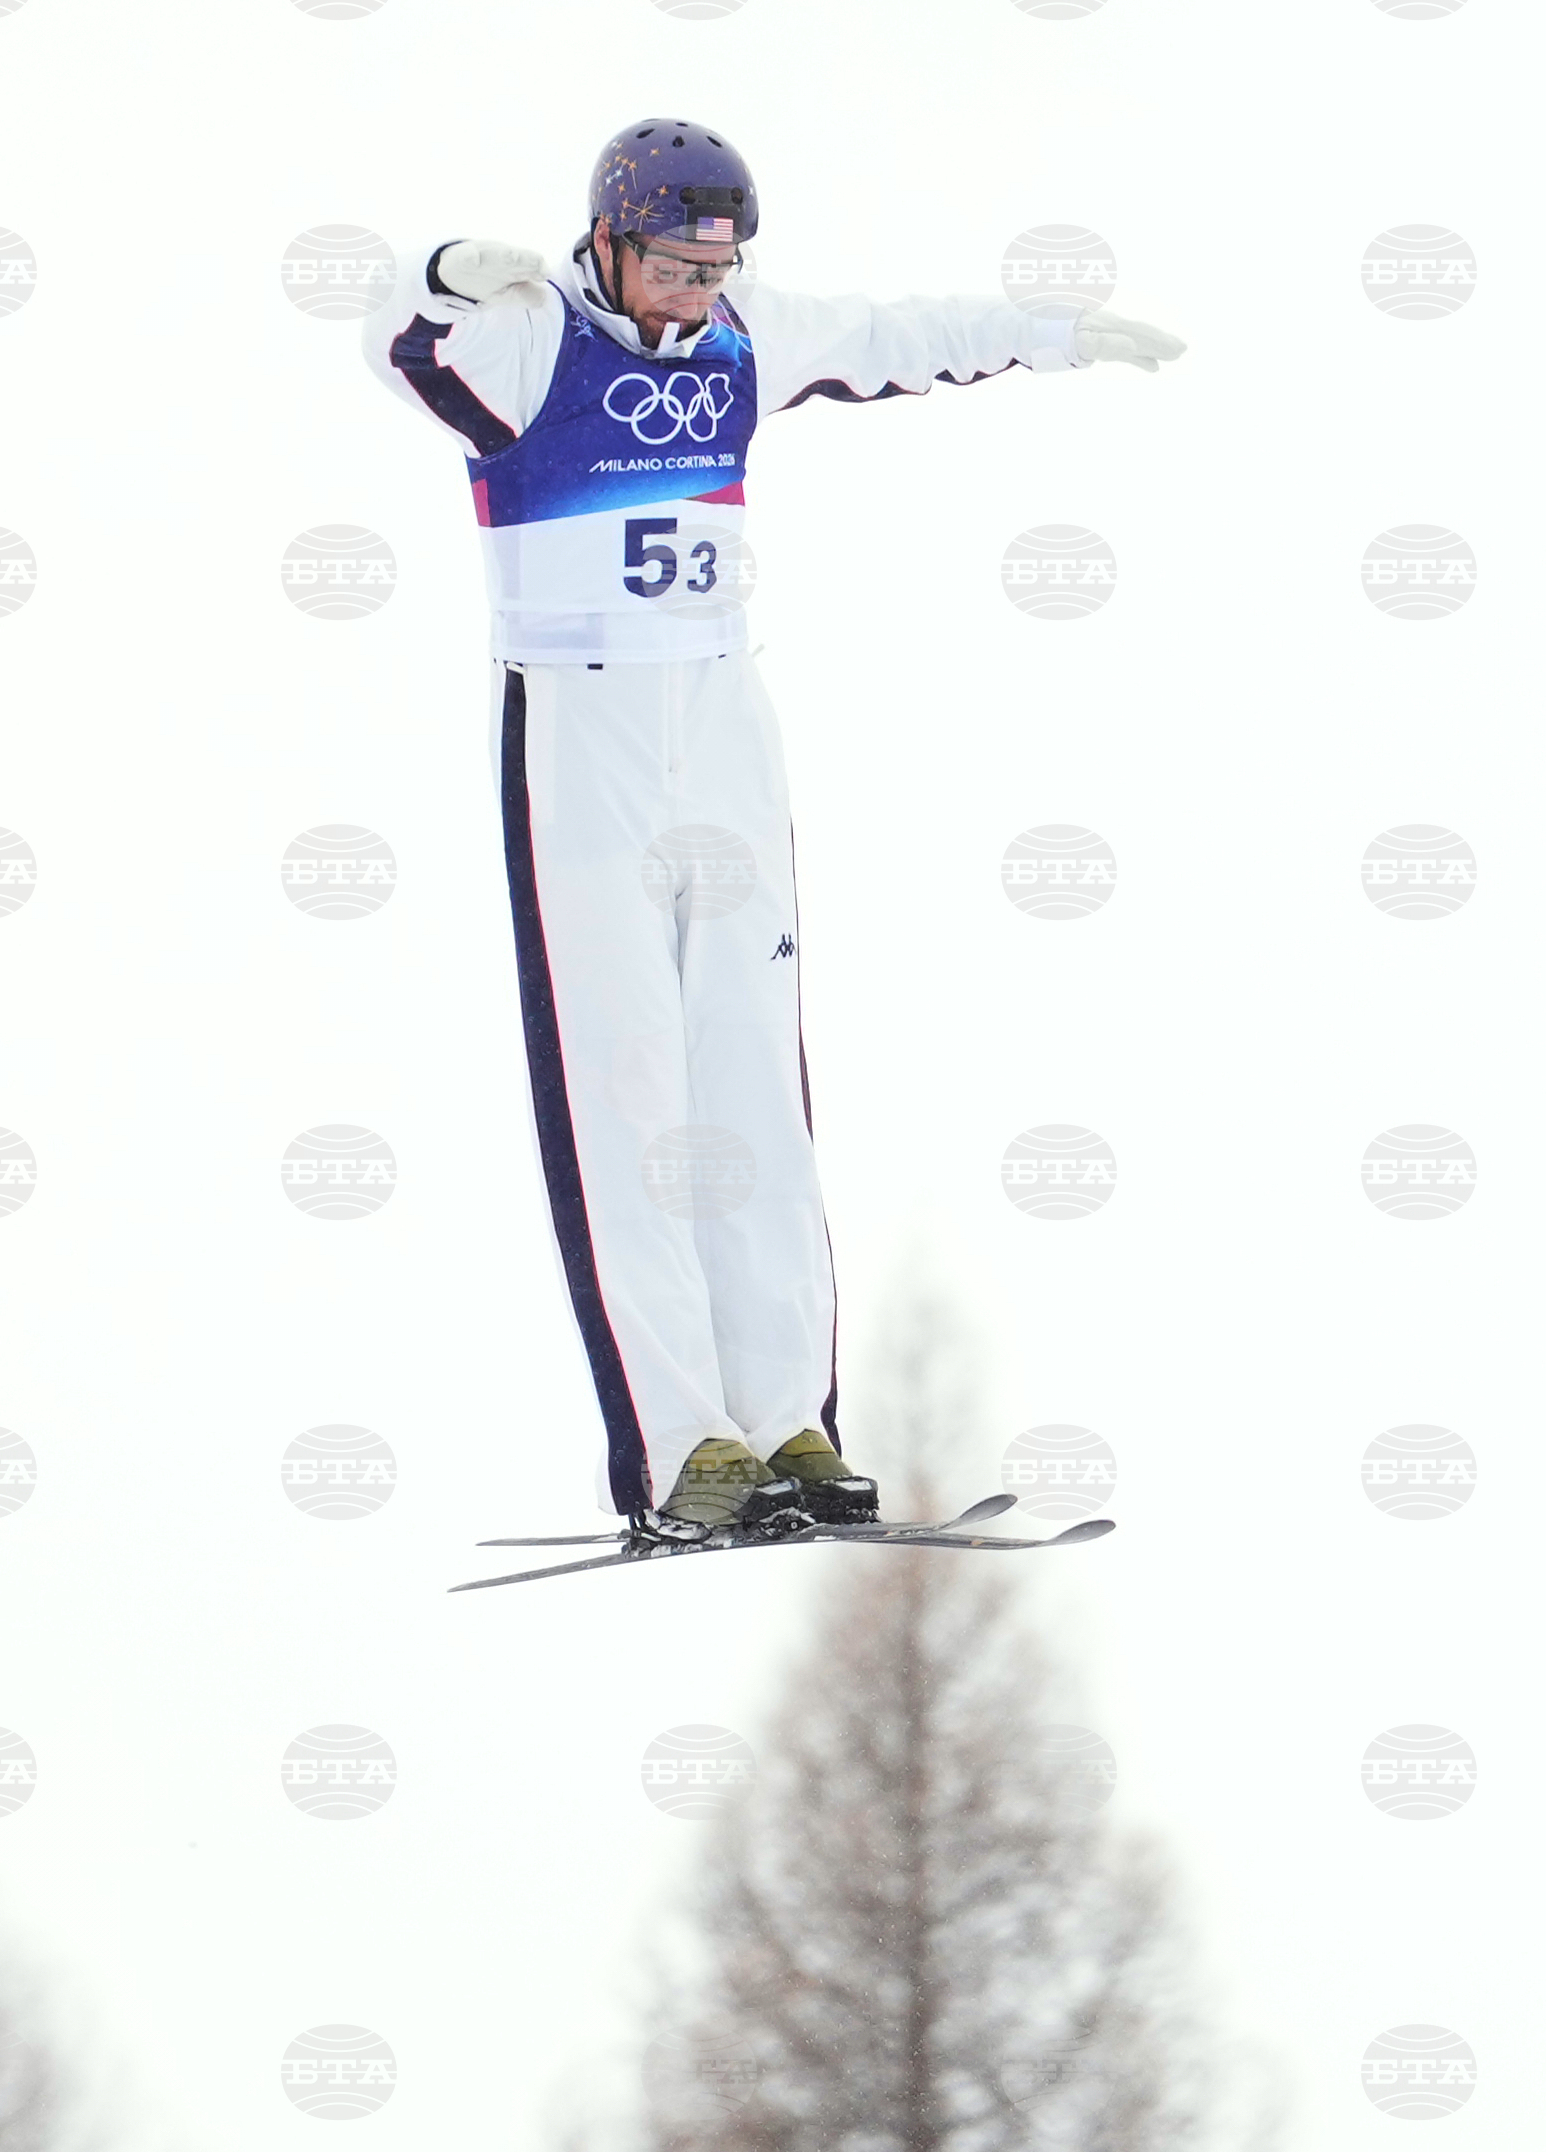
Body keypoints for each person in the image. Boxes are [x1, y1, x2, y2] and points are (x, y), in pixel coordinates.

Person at [363, 120, 1183, 1543]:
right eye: (675, 262)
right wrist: (446, 269)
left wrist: (1049, 332)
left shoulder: (748, 336)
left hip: (722, 718)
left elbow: (898, 332)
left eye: (717, 263)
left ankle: (788, 1417)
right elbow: (391, 337)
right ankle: (685, 1446)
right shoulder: (530, 339)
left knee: (750, 1080)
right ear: (611, 242)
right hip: (582, 722)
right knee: (622, 1083)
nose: (697, 287)